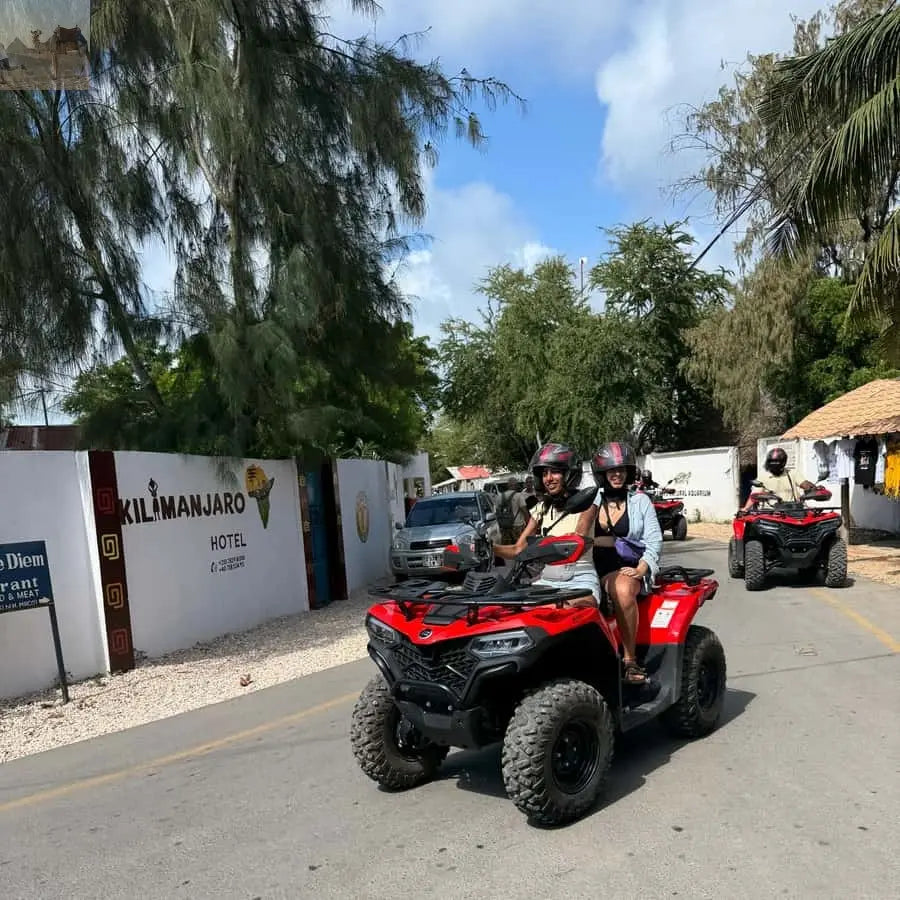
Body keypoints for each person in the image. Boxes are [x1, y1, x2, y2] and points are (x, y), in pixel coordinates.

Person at [576, 442, 663, 685]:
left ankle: (630, 660)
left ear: (629, 472)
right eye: (611, 470)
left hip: (627, 567)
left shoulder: (640, 501)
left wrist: (642, 567)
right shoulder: (591, 500)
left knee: (622, 589)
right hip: (589, 567)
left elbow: (654, 540)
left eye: (622, 469)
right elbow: (577, 534)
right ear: (602, 473)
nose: (617, 474)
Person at [494, 442, 599, 607]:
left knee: (576, 611)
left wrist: (541, 545)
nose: (548, 479)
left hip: (579, 578)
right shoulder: (541, 508)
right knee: (510, 610)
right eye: (544, 473)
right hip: (547, 580)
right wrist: (489, 547)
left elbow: (577, 538)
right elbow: (517, 549)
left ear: (569, 473)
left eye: (555, 472)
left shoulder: (587, 502)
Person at [741, 447, 815, 511]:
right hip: (771, 512)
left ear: (783, 463)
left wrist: (813, 488)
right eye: (771, 462)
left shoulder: (792, 473)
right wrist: (746, 509)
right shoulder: (763, 477)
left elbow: (805, 484)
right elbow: (754, 496)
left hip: (792, 510)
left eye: (776, 462)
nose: (774, 465)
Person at [495, 476, 528, 544]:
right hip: (518, 526)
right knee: (519, 546)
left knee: (507, 547)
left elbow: (497, 512)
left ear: (508, 485)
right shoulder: (519, 496)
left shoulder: (500, 496)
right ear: (516, 485)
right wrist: (528, 523)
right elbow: (525, 511)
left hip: (504, 527)